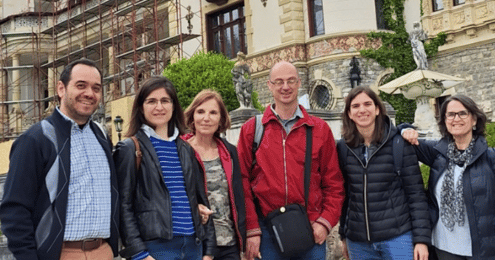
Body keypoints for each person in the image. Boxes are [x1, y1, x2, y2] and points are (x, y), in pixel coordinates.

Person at [0, 58, 120, 260]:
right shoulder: (36, 139)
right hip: (61, 254)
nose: (89, 93)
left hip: (103, 252)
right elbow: (14, 210)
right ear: (61, 89)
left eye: (96, 88)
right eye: (81, 85)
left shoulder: (101, 136)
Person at [237, 61, 345, 260]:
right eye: (278, 82)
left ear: (299, 83)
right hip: (267, 230)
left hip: (310, 228)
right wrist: (251, 229)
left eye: (290, 81)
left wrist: (325, 222)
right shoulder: (252, 130)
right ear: (269, 85)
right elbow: (241, 183)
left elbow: (334, 183)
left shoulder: (319, 129)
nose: (285, 87)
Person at [400, 94, 495, 260]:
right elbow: (400, 136)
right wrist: (405, 129)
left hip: (483, 249)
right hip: (444, 247)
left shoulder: (492, 157)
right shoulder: (438, 152)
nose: (456, 118)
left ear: (474, 120)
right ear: (444, 121)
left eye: (462, 113)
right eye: (450, 114)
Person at [113, 76, 216, 260]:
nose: (159, 107)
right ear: (141, 107)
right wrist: (139, 254)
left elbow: (201, 200)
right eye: (151, 101)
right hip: (156, 249)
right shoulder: (130, 149)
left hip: (193, 246)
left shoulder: (186, 150)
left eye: (165, 101)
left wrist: (208, 252)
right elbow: (123, 205)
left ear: (174, 106)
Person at [337, 86, 431, 260]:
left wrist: (421, 240)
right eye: (355, 106)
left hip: (397, 237)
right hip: (358, 242)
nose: (362, 110)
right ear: (349, 113)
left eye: (367, 104)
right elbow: (346, 196)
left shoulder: (399, 144)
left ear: (377, 109)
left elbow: (416, 195)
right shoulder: (343, 148)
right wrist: (344, 234)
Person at [183, 90, 247, 260]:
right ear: (192, 116)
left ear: (221, 119)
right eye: (201, 111)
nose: (206, 118)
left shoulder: (230, 152)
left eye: (213, 112)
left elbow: (239, 197)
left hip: (228, 244)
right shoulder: (180, 150)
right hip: (194, 244)